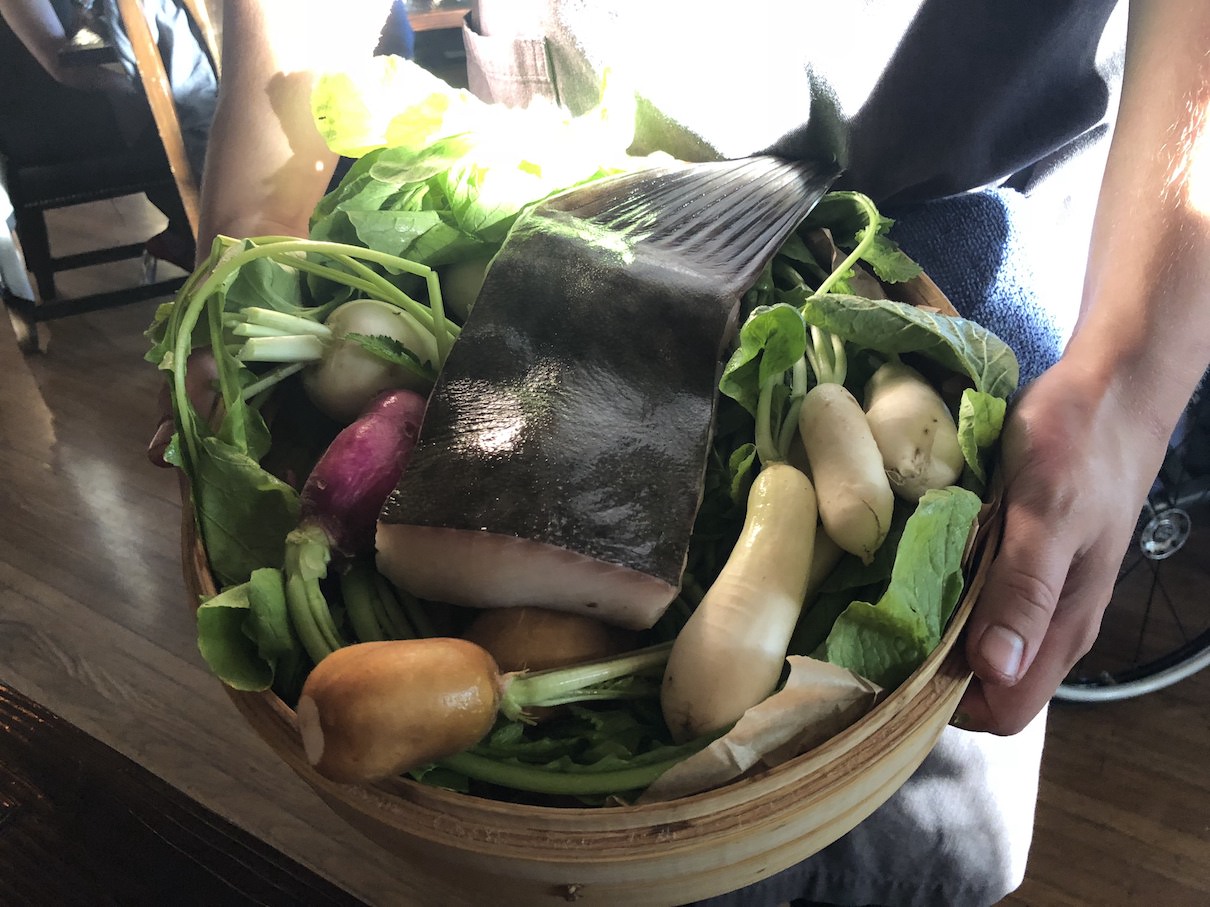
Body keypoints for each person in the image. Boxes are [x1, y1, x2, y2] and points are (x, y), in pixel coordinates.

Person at [182, 1, 1210, 904]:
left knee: (895, 844)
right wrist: (255, 229)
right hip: (569, 181)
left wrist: (1127, 385)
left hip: (939, 253)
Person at [0, 0, 218, 269]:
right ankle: (198, 237)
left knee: (193, 108)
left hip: (73, 96)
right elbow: (64, 69)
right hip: (44, 121)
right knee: (179, 125)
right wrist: (140, 91)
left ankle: (188, 234)